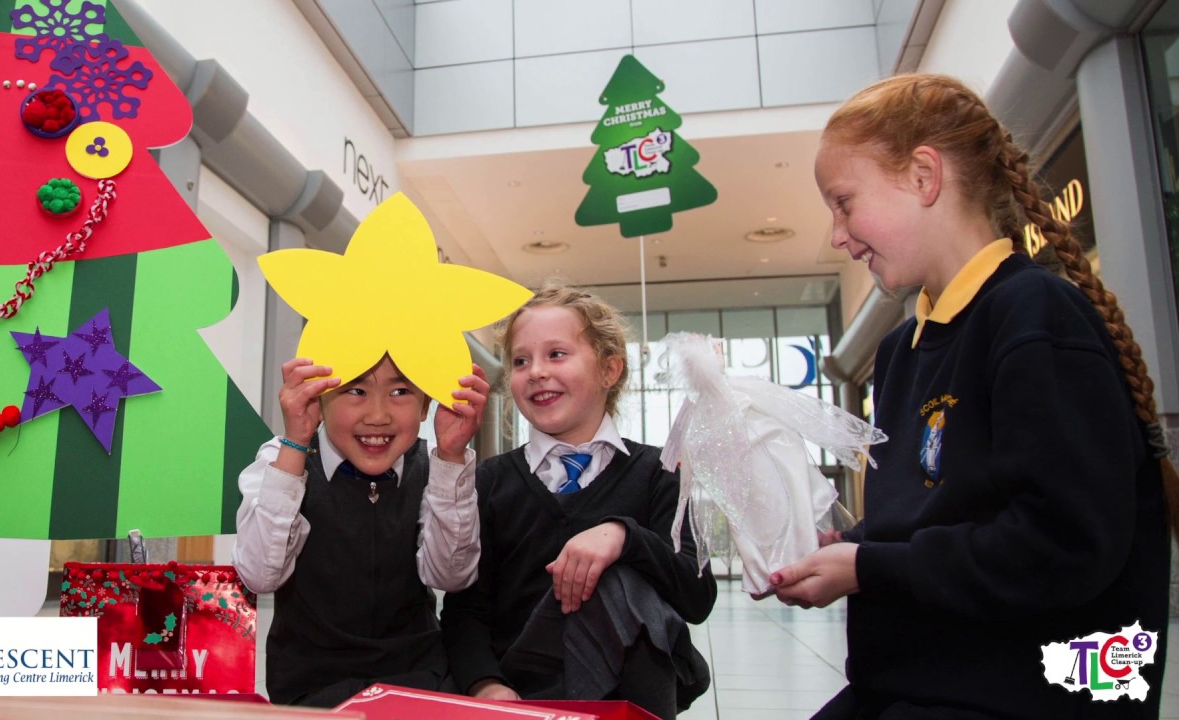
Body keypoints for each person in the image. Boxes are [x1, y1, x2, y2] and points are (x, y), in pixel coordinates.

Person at [767, 73, 1177, 719]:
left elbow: (1063, 545)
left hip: (1025, 692)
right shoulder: (904, 352)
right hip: (917, 679)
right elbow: (937, 519)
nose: (840, 235)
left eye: (844, 203)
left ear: (924, 176)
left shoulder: (1035, 315)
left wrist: (870, 568)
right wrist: (845, 551)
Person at [441, 284, 718, 720]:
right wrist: (485, 683)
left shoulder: (658, 473)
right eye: (520, 360)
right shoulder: (488, 482)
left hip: (629, 699)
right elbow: (466, 606)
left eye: (556, 354)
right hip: (521, 697)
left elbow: (697, 596)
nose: (535, 372)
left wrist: (625, 537)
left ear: (610, 370)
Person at [233, 354, 489, 707]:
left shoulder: (434, 466)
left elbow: (451, 576)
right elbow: (261, 576)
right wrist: (295, 445)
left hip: (421, 680)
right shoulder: (281, 462)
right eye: (356, 390)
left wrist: (450, 459)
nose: (377, 416)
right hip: (312, 688)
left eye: (400, 391)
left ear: (426, 404)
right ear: (318, 399)